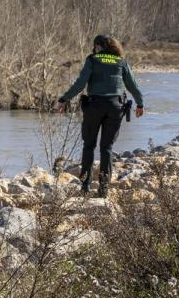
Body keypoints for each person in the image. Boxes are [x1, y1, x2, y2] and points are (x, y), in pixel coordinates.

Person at [56, 34, 144, 197]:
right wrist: (140, 103)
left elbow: (80, 83)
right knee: (107, 148)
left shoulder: (93, 59)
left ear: (97, 46)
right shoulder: (120, 61)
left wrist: (64, 99)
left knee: (89, 146)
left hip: (94, 106)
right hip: (115, 107)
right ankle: (103, 191)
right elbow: (132, 84)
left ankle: (85, 187)